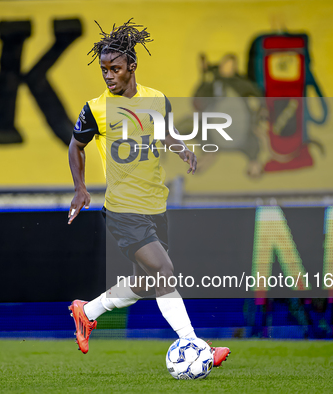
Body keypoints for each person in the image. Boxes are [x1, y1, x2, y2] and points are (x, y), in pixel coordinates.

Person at [67, 20, 230, 367]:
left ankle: (87, 311)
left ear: (132, 67)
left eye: (115, 69)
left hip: (155, 206)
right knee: (165, 271)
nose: (109, 76)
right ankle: (194, 345)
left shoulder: (156, 100)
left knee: (145, 283)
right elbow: (75, 147)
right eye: (104, 70)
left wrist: (182, 148)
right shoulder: (95, 109)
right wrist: (80, 188)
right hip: (123, 210)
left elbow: (165, 132)